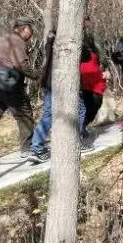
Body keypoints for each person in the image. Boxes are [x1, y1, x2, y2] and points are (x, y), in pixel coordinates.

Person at [28, 31, 90, 163]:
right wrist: (82, 41)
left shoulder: (50, 42)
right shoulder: (70, 39)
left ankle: (36, 147)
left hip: (49, 82)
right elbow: (86, 56)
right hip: (64, 82)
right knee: (80, 110)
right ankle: (76, 142)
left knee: (48, 115)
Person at [0, 18, 39, 154]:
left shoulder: (1, 40)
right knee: (25, 115)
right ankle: (28, 149)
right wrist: (38, 76)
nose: (32, 34)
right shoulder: (17, 41)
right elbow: (22, 64)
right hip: (11, 84)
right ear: (24, 28)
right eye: (31, 30)